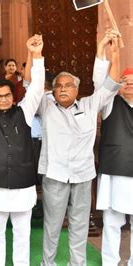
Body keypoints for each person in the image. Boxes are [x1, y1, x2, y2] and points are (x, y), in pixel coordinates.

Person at [38, 32, 121, 266]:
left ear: (77, 89)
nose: (63, 89)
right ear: (53, 91)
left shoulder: (90, 103)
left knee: (80, 225)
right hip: (55, 176)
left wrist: (106, 48)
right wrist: (35, 54)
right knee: (52, 226)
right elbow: (31, 85)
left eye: (68, 85)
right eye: (59, 86)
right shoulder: (45, 105)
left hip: (83, 176)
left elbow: (112, 82)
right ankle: (48, 263)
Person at [0, 35, 44, 266]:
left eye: (7, 96)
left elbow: (36, 88)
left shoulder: (24, 111)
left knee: (23, 232)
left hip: (23, 183)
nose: (3, 99)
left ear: (13, 97)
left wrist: (36, 55)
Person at [91, 29, 133, 266]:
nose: (129, 85)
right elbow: (99, 81)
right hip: (115, 172)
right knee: (113, 220)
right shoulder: (108, 103)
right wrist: (104, 49)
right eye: (124, 81)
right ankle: (110, 261)